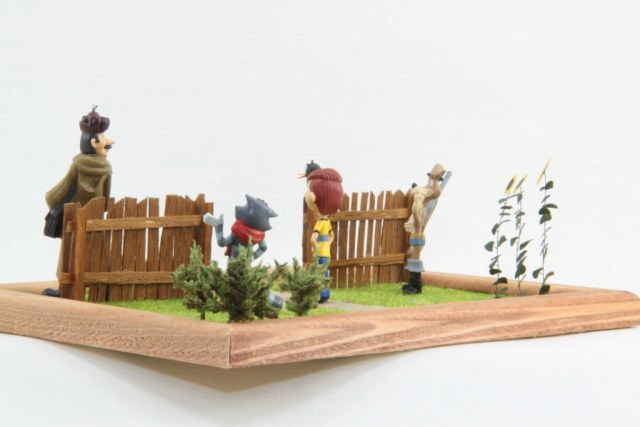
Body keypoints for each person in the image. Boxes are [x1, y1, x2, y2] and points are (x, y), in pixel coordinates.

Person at [43, 106, 115, 296]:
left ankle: (64, 288)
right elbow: (106, 199)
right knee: (98, 250)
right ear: (93, 142)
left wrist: (51, 199)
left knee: (69, 251)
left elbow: (62, 188)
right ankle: (105, 289)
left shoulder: (77, 166)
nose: (108, 142)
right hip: (94, 217)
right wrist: (99, 209)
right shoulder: (106, 169)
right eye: (104, 138)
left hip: (74, 216)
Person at [302, 162, 343, 303]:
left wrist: (315, 248)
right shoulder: (327, 222)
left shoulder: (320, 223)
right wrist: (327, 245)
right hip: (327, 252)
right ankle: (325, 293)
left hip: (320, 254)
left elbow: (313, 239)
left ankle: (323, 295)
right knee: (325, 272)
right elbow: (332, 236)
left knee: (320, 273)